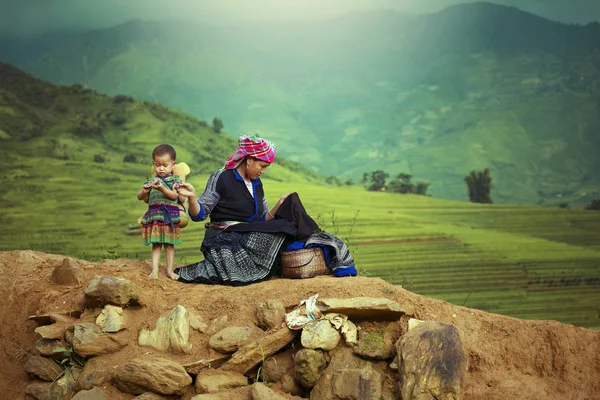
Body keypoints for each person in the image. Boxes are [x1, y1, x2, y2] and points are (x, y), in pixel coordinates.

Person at [173, 135, 357, 285]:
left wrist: (279, 205)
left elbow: (262, 220)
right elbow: (200, 215)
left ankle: (322, 244)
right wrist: (191, 197)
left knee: (290, 207)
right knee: (285, 228)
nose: (263, 171)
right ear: (249, 160)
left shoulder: (257, 184)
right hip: (226, 237)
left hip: (249, 233)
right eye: (262, 166)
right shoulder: (221, 177)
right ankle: (308, 240)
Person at [137, 144, 183, 280]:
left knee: (169, 245)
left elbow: (175, 196)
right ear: (153, 164)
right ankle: (155, 270)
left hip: (169, 217)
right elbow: (141, 198)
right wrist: (144, 191)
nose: (161, 168)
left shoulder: (176, 180)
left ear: (173, 165)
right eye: (158, 165)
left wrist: (162, 188)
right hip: (155, 217)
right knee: (156, 244)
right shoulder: (151, 180)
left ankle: (169, 270)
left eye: (165, 165)